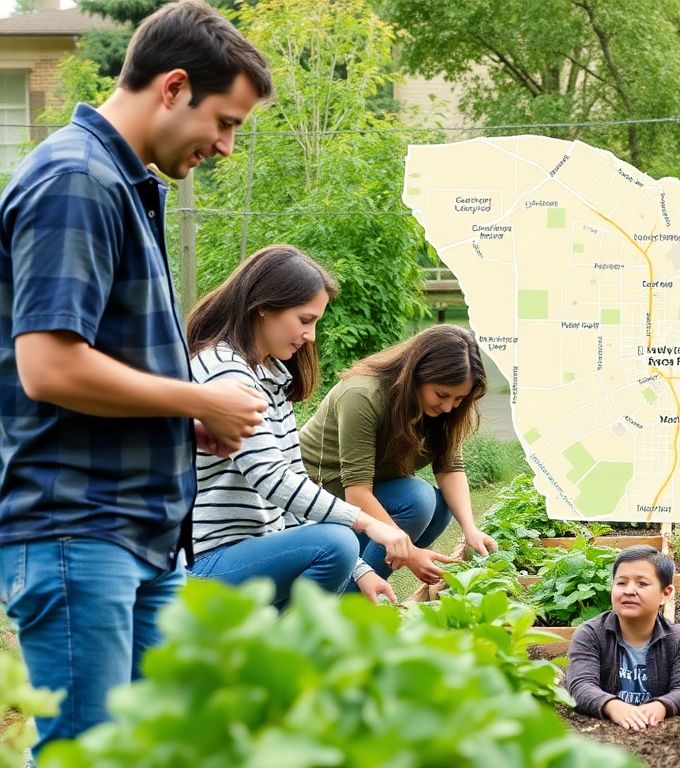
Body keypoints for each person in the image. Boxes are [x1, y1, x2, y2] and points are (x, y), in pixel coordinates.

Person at [0, 0, 271, 752]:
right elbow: (49, 366)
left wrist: (177, 419)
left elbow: (97, 365)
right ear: (174, 86)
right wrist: (200, 399)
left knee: (167, 745)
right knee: (91, 753)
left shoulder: (121, 182)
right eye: (225, 121)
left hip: (137, 536)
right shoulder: (75, 179)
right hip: (78, 527)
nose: (225, 146)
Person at [186, 245, 416, 606]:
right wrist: (369, 523)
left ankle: (274, 645)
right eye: (304, 320)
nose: (310, 335)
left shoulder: (270, 377)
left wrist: (361, 569)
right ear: (263, 307)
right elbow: (274, 479)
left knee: (341, 548)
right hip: (204, 561)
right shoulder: (224, 369)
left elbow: (293, 486)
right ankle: (274, 645)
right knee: (336, 542)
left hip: (251, 552)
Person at [300, 325, 497, 587]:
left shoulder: (445, 411)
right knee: (418, 499)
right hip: (320, 490)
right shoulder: (362, 394)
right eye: (441, 394)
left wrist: (470, 529)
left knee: (441, 507)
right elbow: (357, 492)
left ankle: (357, 590)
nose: (449, 406)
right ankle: (352, 601)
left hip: (371, 489)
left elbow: (450, 468)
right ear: (416, 374)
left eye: (459, 398)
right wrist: (411, 554)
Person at [566, 545, 680, 730]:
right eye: (621, 583)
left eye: (642, 584)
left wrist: (662, 705)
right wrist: (612, 706)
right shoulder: (590, 633)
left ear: (665, 594)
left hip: (653, 730)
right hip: (603, 733)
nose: (629, 591)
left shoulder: (678, 638)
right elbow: (580, 684)